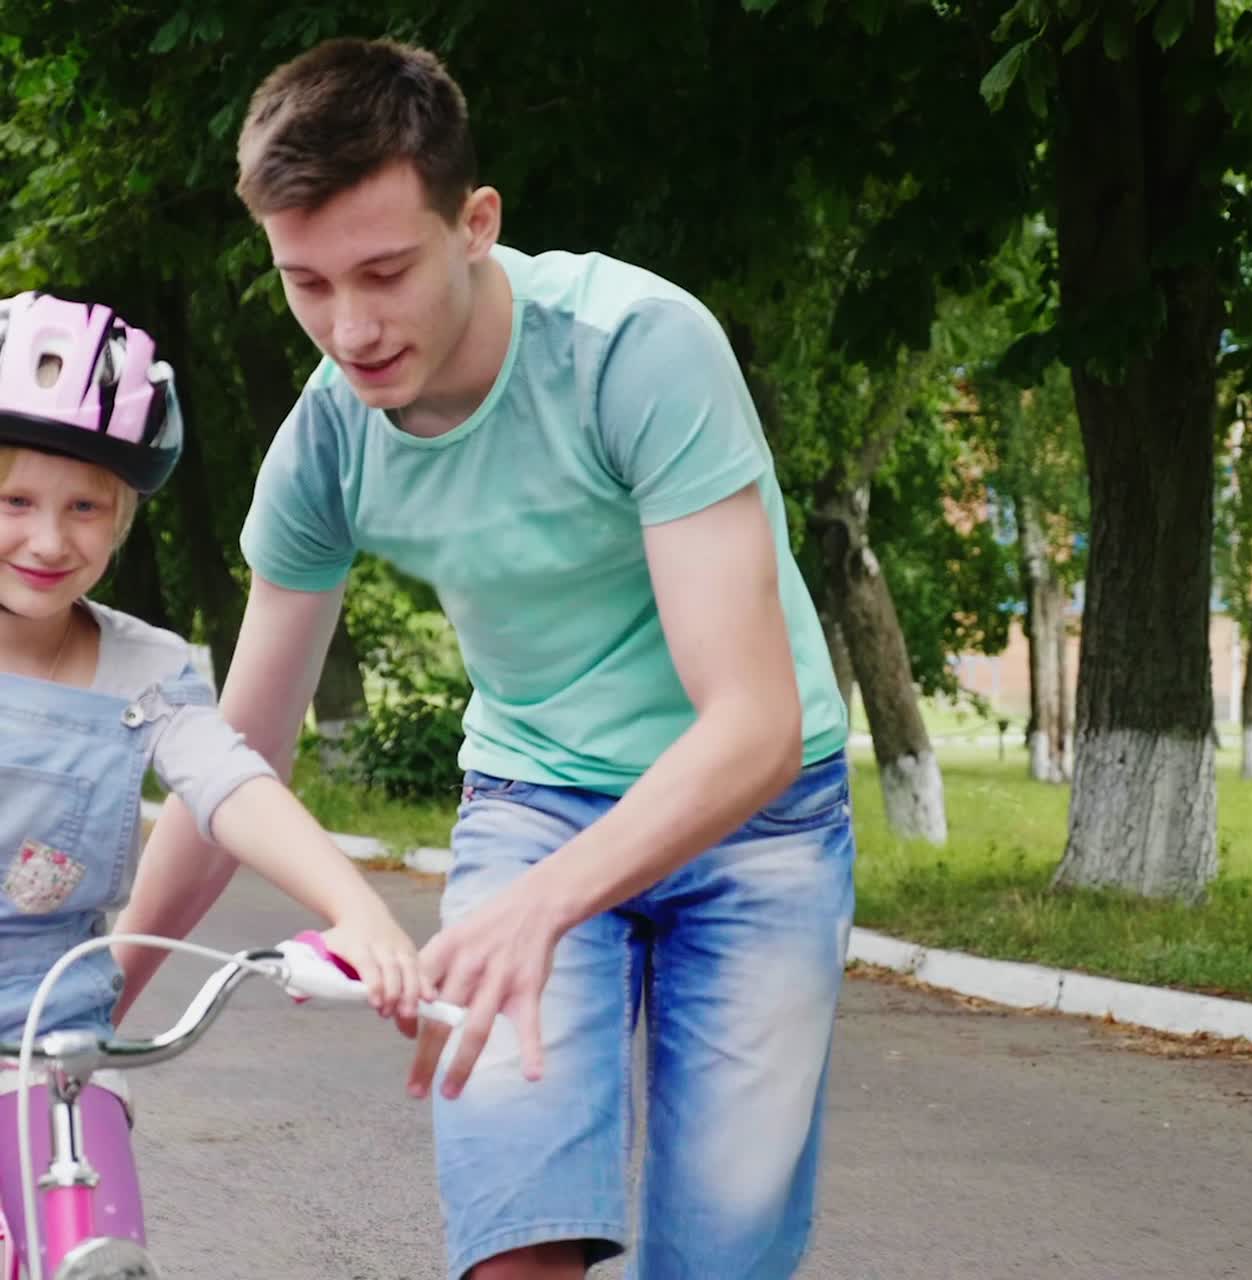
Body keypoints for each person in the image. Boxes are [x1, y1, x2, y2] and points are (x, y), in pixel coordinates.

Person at [116, 35, 856, 1280]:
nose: (348, 329)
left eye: (384, 270)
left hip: (759, 822)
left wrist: (542, 901)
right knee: (517, 1229)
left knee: (720, 1253)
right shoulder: (325, 448)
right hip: (534, 799)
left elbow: (751, 725)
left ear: (475, 222)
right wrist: (89, 1008)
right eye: (305, 283)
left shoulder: (634, 348)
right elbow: (233, 755)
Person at [0, 290, 426, 1272]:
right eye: (16, 499)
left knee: (95, 1247)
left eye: (86, 506)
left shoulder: (141, 666)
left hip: (52, 1056)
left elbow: (230, 778)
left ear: (127, 514)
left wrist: (354, 908)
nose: (49, 540)